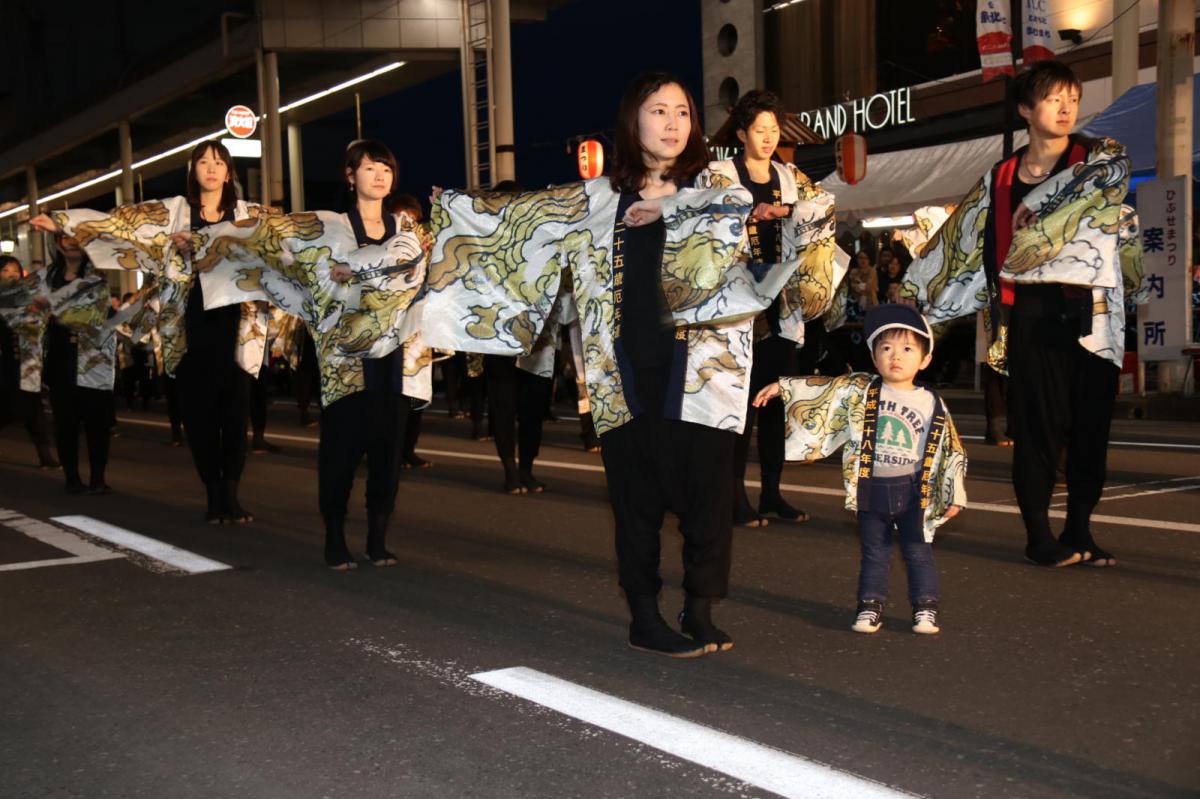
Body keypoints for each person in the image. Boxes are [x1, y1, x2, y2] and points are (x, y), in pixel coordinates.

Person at [425, 73, 822, 657]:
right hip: (624, 366)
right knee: (636, 500)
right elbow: (518, 220)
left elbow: (773, 216)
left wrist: (668, 207)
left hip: (708, 369)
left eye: (682, 112)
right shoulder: (595, 199)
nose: (672, 123)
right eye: (658, 111)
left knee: (709, 497)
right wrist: (456, 207)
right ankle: (644, 614)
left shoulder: (719, 186)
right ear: (632, 121)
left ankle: (700, 606)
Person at [900, 60, 1145, 567]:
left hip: (1094, 313)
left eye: (1072, 99)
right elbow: (962, 239)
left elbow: (1119, 218)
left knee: (1091, 427)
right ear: (1026, 110)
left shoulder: (1096, 162)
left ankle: (1080, 530)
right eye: (1054, 99)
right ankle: (1039, 536)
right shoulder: (1002, 176)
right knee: (1036, 427)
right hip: (1031, 314)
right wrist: (914, 288)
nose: (1066, 108)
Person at [190, 139, 428, 570]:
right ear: (350, 176)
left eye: (386, 168)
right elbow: (267, 235)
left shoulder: (408, 231)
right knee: (340, 451)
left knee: (387, 450)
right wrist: (206, 239)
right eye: (369, 167)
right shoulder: (327, 227)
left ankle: (377, 539)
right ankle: (334, 537)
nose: (379, 175)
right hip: (342, 360)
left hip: (395, 359)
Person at [33, 140, 274, 523]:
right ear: (193, 170)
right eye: (203, 162)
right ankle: (214, 496)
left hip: (237, 330)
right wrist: (65, 221)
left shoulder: (250, 215)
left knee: (234, 417)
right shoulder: (173, 213)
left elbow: (286, 242)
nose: (211, 168)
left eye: (219, 162)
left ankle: (231, 495)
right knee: (199, 418)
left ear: (229, 172)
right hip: (189, 328)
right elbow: (122, 223)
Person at [753, 304, 966, 634]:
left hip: (915, 489)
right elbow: (827, 389)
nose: (895, 356)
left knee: (918, 551)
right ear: (874, 357)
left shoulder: (931, 401)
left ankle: (925, 607)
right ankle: (870, 605)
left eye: (907, 349)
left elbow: (951, 449)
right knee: (874, 552)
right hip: (871, 487)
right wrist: (784, 387)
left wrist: (955, 492)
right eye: (886, 348)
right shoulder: (862, 390)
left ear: (925, 360)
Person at [701, 90, 846, 527]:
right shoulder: (718, 175)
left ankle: (771, 493)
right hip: (736, 309)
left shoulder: (789, 175)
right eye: (759, 129)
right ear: (741, 134)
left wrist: (787, 209)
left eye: (773, 129)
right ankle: (733, 497)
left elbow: (824, 206)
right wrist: (746, 217)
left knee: (776, 403)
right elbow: (702, 226)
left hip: (781, 307)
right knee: (737, 408)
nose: (768, 138)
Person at [41, 235, 118, 493]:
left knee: (98, 422)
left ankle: (98, 478)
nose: (72, 242)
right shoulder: (47, 278)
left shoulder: (97, 277)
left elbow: (103, 315)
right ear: (57, 243)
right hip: (61, 358)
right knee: (65, 423)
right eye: (65, 237)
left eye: (77, 237)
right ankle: (72, 478)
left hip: (93, 359)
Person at [0, 255, 58, 469]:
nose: (12, 274)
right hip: (5, 364)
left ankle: (45, 456)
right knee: (8, 409)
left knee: (34, 410)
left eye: (15, 270)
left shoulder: (28, 299)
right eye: (5, 270)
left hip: (28, 364)